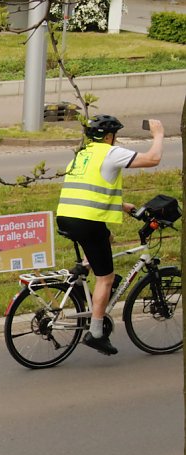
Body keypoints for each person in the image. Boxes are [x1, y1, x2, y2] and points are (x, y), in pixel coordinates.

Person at [55, 115, 164, 355]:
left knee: (105, 238)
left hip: (67, 216)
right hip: (86, 221)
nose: (116, 140)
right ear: (108, 137)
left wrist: (121, 205)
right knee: (106, 277)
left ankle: (85, 267)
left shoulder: (82, 154)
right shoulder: (109, 152)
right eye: (115, 136)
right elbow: (152, 159)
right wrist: (158, 135)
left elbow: (90, 188)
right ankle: (96, 334)